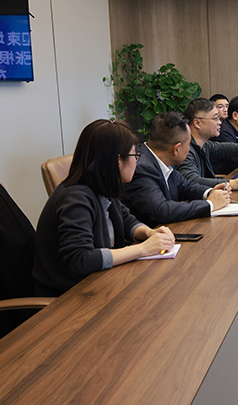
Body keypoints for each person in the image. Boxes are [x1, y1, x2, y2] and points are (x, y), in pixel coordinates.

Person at [33, 120, 176, 297]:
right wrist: (143, 249)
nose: (136, 162)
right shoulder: (75, 198)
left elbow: (126, 220)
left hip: (100, 283)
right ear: (118, 160)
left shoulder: (102, 187)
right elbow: (81, 259)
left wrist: (149, 233)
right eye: (134, 155)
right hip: (68, 298)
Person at [123, 111, 231, 227]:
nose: (189, 149)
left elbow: (185, 186)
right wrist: (210, 204)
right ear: (176, 149)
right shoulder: (141, 168)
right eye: (188, 144)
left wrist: (210, 192)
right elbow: (162, 210)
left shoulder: (161, 159)